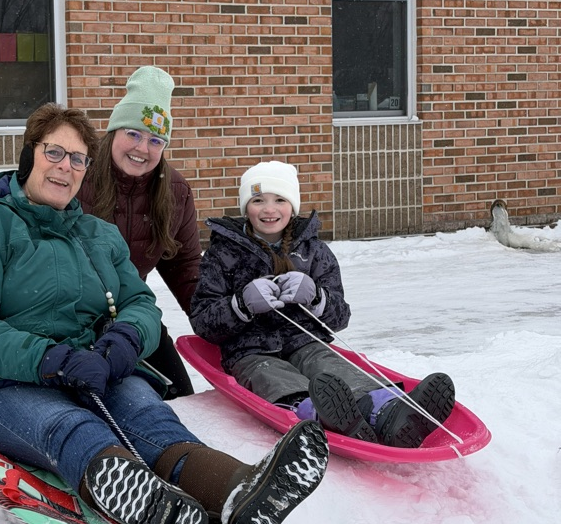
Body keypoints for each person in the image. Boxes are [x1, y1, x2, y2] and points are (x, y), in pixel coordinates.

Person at [0, 105, 329, 524]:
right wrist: (48, 359)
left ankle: (242, 492)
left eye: (79, 159)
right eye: (55, 153)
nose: (66, 167)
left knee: (151, 419)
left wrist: (125, 339)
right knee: (70, 427)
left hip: (91, 367)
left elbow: (140, 302)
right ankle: (146, 503)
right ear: (29, 156)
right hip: (1, 381)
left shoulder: (98, 235)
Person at [190, 160, 456, 448]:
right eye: (258, 200)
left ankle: (386, 412)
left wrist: (316, 296)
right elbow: (204, 320)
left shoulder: (314, 252)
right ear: (245, 207)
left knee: (330, 367)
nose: (269, 209)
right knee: (271, 375)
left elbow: (340, 316)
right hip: (249, 350)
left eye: (280, 199)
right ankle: (318, 413)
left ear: (293, 205)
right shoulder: (222, 255)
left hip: (306, 340)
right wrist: (241, 305)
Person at [78, 66, 201, 399]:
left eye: (155, 140)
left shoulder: (174, 191)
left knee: (180, 394)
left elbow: (185, 267)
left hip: (133, 315)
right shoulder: (77, 176)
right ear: (114, 131)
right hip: (70, 317)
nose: (142, 148)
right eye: (133, 133)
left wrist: (220, 324)